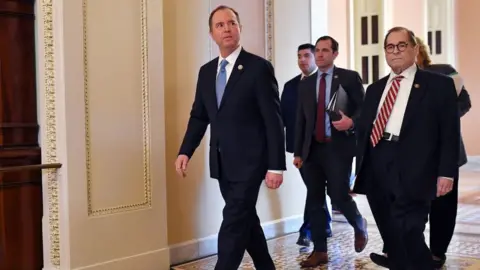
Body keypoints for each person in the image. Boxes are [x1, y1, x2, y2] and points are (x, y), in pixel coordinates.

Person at [174, 5, 286, 270]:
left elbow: (273, 120)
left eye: (232, 23)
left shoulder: (258, 68)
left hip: (251, 163)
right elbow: (199, 117)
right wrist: (185, 151)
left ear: (240, 28)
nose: (227, 28)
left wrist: (275, 165)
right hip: (222, 163)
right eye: (220, 25)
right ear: (212, 33)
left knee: (234, 221)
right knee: (245, 219)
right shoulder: (206, 72)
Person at [353, 26, 460, 270]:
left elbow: (450, 133)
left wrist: (446, 173)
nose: (395, 51)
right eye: (390, 47)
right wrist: (358, 169)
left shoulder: (438, 85)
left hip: (417, 165)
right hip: (378, 160)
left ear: (414, 48)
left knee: (409, 228)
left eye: (401, 45)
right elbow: (364, 130)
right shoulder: (375, 89)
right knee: (391, 233)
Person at [294, 36, 368, 267]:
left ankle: (359, 223)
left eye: (325, 50)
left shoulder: (348, 77)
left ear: (335, 54)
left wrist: (351, 123)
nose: (320, 54)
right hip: (312, 151)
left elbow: (364, 111)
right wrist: (298, 152)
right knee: (314, 200)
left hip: (338, 149)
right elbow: (301, 120)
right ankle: (320, 250)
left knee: (338, 195)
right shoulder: (306, 83)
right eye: (317, 50)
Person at [280, 43, 332, 247]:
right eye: (299, 56)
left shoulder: (326, 82)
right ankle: (322, 225)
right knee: (314, 189)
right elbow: (282, 117)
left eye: (307, 56)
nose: (302, 60)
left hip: (326, 147)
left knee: (318, 190)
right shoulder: (291, 86)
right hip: (302, 149)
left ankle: (309, 229)